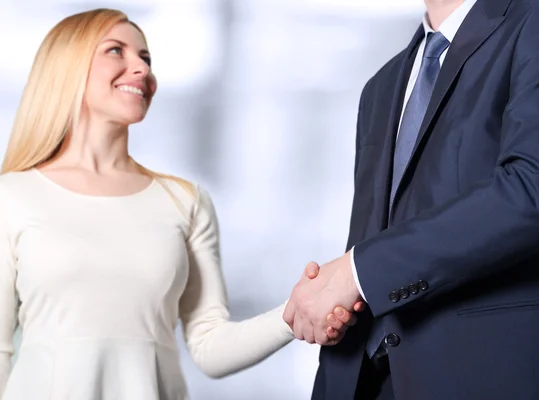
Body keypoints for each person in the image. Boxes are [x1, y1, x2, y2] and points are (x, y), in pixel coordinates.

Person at [0, 8, 360, 400]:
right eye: (116, 51)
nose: (141, 68)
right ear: (65, 67)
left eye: (146, 58)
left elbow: (209, 346)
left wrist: (293, 316)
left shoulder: (183, 202)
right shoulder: (13, 197)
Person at [284, 0, 539, 398]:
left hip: (500, 376)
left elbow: (536, 194)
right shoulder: (381, 87)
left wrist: (355, 273)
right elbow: (376, 245)